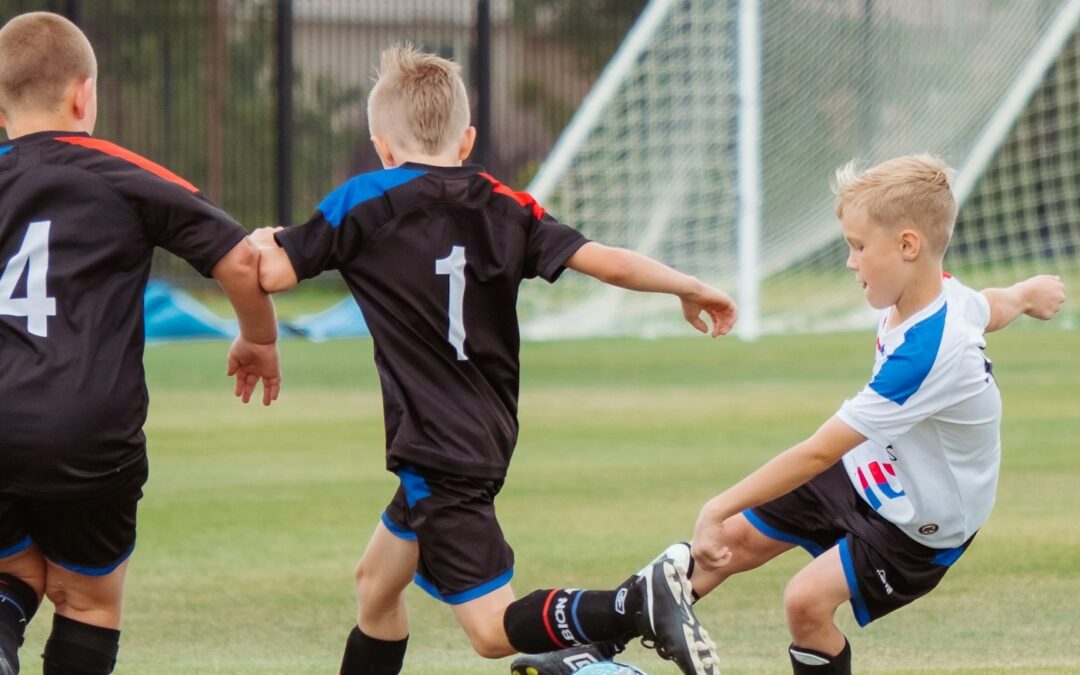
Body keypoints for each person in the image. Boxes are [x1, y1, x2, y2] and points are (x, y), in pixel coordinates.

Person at [252, 44, 735, 675]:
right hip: (483, 432)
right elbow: (605, 258)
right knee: (376, 583)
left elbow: (270, 272)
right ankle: (612, 628)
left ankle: (630, 607)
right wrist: (687, 285)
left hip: (434, 446)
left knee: (489, 632)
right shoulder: (506, 203)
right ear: (466, 141)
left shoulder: (363, 201)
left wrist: (262, 240)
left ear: (382, 147)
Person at [679, 154, 1065, 674]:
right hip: (876, 467)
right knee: (728, 545)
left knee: (805, 602)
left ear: (907, 246)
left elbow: (818, 451)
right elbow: (986, 307)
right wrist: (1024, 295)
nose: (850, 261)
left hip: (921, 525)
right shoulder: (934, 297)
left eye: (858, 247)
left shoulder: (926, 352)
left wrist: (715, 506)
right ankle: (593, 628)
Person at [0, 12, 281, 675]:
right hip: (88, 429)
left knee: (14, 573)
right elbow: (241, 261)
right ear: (84, 95)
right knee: (88, 601)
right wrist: (258, 340)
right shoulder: (122, 172)